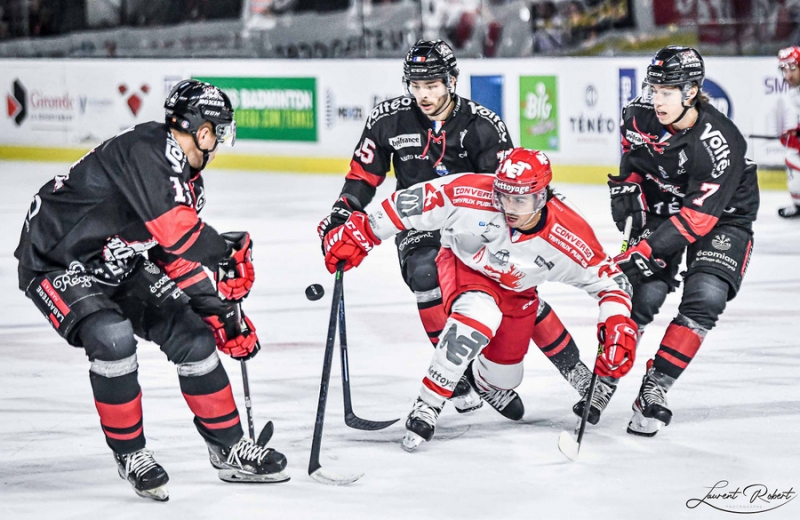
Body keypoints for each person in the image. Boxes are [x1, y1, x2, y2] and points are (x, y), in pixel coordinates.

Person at [14, 80, 288, 501]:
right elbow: (177, 233)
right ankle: (131, 454)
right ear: (203, 131)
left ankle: (229, 446)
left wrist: (219, 314)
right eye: (221, 131)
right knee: (112, 337)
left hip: (116, 259)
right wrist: (226, 253)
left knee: (194, 337)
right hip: (55, 260)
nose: (219, 143)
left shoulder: (184, 182)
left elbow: (172, 256)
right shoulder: (149, 149)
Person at [317, 39, 596, 416]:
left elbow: (507, 194)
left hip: (476, 224)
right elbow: (364, 175)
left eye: (431, 85)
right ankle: (461, 376)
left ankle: (574, 370)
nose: (423, 95)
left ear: (451, 81)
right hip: (419, 221)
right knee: (424, 273)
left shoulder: (483, 126)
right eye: (415, 86)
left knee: (515, 288)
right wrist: (342, 212)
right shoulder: (388, 119)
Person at [321, 147, 638, 451]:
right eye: (504, 196)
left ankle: (484, 383)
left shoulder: (569, 233)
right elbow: (409, 203)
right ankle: (427, 405)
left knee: (505, 377)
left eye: (520, 200)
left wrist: (616, 321)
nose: (509, 207)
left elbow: (611, 284)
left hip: (518, 290)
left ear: (541, 197)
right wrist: (362, 232)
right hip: (465, 267)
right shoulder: (471, 192)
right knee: (476, 320)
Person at [608, 46, 759, 437]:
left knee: (706, 296)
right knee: (641, 294)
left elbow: (696, 219)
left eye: (667, 91)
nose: (656, 99)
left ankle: (654, 389)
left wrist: (647, 249)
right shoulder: (637, 116)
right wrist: (628, 188)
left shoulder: (718, 141)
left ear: (691, 91)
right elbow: (633, 163)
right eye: (654, 89)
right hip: (664, 204)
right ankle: (605, 377)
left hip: (723, 217)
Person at [776, 45, 800, 218]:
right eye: (784, 70)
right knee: (792, 153)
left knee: (792, 157)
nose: (788, 75)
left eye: (792, 68)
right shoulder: (795, 92)